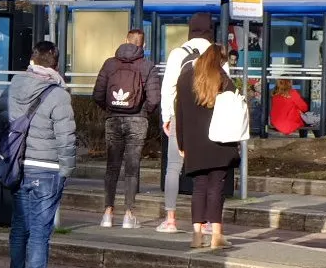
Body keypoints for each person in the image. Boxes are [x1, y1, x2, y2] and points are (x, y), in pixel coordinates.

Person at [2, 41, 77, 268]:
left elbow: (5, 119)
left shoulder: (15, 85)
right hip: (47, 168)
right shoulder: (58, 94)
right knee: (40, 229)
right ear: (56, 64)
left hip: (19, 165)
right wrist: (67, 168)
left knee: (20, 226)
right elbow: (66, 137)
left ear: (32, 60)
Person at [172, 42, 242, 251]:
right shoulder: (222, 79)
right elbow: (235, 104)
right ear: (219, 60)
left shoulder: (184, 78)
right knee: (216, 187)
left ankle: (197, 236)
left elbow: (179, 113)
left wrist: (181, 143)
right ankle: (216, 235)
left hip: (194, 142)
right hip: (220, 140)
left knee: (199, 187)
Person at [91, 28, 158, 228]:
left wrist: (111, 108)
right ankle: (129, 215)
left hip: (113, 118)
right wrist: (143, 111)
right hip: (137, 120)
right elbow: (154, 99)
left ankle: (107, 214)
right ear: (143, 44)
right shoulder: (147, 66)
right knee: (132, 167)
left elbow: (97, 94)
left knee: (112, 166)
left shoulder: (110, 64)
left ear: (125, 40)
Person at [156, 13, 217, 233]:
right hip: (210, 118)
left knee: (173, 167)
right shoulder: (216, 53)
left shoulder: (178, 53)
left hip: (180, 116)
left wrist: (167, 117)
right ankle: (208, 222)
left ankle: (170, 220)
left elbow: (168, 88)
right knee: (209, 170)